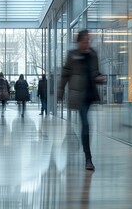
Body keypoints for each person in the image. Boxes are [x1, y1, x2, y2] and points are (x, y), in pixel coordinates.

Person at [58, 29, 106, 171]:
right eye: (84, 41)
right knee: (86, 124)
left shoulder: (93, 54)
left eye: (88, 41)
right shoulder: (72, 56)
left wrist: (100, 78)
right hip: (79, 95)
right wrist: (60, 92)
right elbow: (65, 75)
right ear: (78, 42)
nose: (87, 43)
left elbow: (95, 72)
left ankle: (88, 158)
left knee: (86, 125)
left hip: (90, 94)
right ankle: (88, 158)